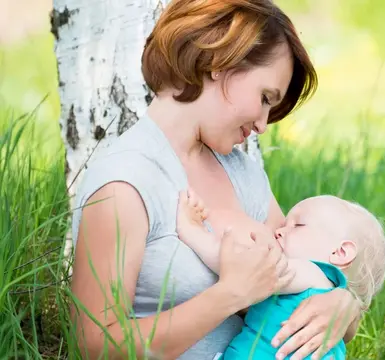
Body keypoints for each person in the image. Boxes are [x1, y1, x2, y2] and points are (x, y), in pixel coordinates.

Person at [68, 1, 363, 359]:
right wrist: (229, 296)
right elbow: (95, 345)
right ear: (221, 63)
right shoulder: (126, 183)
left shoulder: (243, 173)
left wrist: (344, 305)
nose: (262, 125)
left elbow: (295, 278)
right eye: (265, 98)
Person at [175, 190, 385, 360]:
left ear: (340, 252)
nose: (279, 231)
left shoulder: (314, 275)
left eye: (297, 225)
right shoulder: (315, 289)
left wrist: (193, 231)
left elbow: (239, 266)